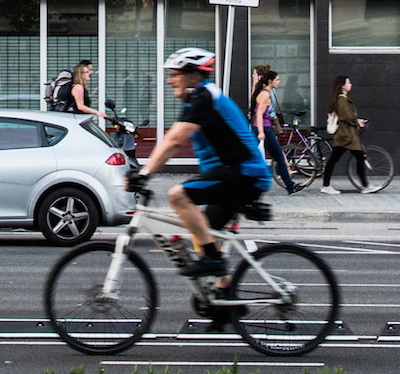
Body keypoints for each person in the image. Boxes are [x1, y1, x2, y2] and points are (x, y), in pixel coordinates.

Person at [127, 48, 272, 279]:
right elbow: (170, 139)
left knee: (177, 196)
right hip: (235, 174)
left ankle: (214, 262)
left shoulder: (207, 98)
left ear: (194, 75)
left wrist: (145, 173)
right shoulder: (195, 101)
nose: (170, 79)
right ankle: (225, 303)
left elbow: (175, 141)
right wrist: (145, 170)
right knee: (204, 235)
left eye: (176, 74)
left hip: (244, 174)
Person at [251, 70, 303, 194]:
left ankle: (290, 186)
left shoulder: (266, 93)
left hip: (264, 128)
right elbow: (258, 114)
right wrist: (261, 132)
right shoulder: (265, 95)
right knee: (279, 157)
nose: (279, 82)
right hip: (264, 128)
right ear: (270, 81)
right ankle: (290, 186)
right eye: (277, 80)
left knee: (274, 156)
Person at [320, 75, 368, 195]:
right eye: (348, 83)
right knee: (359, 157)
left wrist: (356, 120)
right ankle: (364, 186)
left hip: (345, 135)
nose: (350, 84)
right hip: (346, 136)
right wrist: (357, 121)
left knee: (335, 159)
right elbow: (346, 116)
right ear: (342, 86)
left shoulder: (341, 99)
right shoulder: (342, 100)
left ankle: (326, 185)